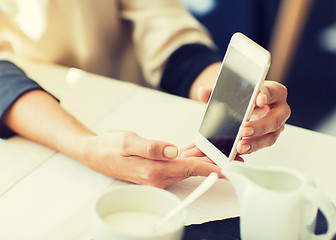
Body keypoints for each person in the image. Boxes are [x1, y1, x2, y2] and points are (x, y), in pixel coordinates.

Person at [0, 0, 290, 188]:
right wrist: (87, 147)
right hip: (30, 142)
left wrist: (226, 88)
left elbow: (163, 25)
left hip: (135, 117)